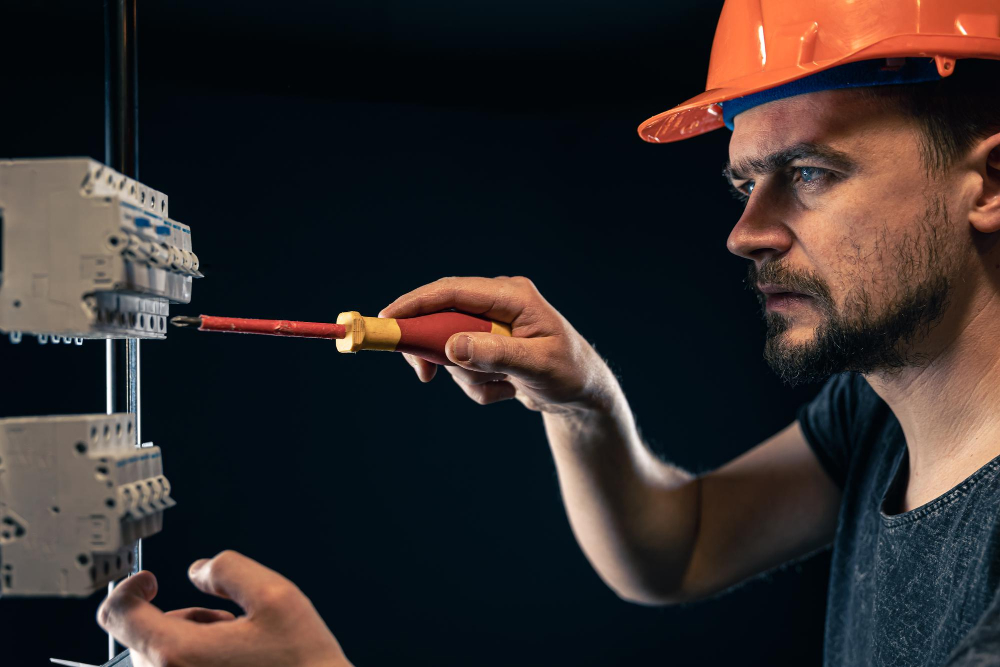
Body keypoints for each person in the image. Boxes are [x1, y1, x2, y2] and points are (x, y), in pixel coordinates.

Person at [98, 1, 1000, 665]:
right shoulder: (875, 412)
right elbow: (677, 546)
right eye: (743, 184)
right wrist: (580, 397)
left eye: (808, 172)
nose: (745, 231)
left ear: (990, 184)